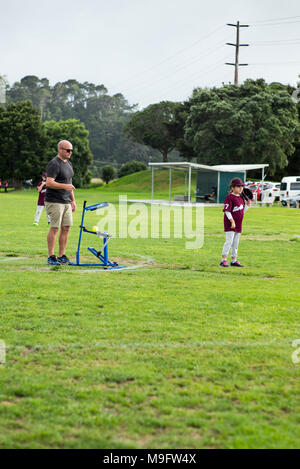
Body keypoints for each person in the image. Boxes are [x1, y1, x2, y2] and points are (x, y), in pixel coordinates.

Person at [44, 140, 76, 265]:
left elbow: (69, 183)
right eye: (68, 150)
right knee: (54, 228)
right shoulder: (54, 164)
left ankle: (62, 255)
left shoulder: (69, 164)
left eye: (71, 150)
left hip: (66, 201)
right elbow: (49, 182)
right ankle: (51, 256)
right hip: (54, 200)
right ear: (60, 149)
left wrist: (73, 200)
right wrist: (65, 187)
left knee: (66, 228)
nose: (70, 152)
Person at [220, 178, 250, 268]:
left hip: (238, 223)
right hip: (230, 223)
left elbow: (241, 211)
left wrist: (248, 205)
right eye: (238, 186)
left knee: (236, 243)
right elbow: (227, 211)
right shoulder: (229, 197)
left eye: (241, 186)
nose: (240, 188)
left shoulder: (241, 198)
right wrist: (232, 221)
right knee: (229, 241)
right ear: (232, 187)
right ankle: (223, 260)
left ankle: (234, 260)